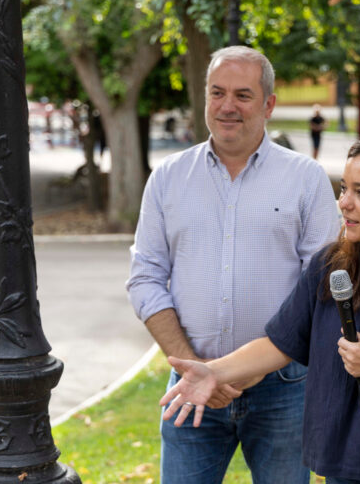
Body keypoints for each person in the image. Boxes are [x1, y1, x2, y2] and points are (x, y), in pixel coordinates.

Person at [160, 137, 360, 484]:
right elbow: (280, 343)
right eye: (344, 189)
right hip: (349, 463)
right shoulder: (331, 267)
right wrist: (214, 373)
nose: (344, 203)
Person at [126, 46, 340, 484]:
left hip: (284, 389)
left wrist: (238, 372)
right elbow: (145, 277)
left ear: (269, 104)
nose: (227, 106)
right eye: (217, 93)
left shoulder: (306, 179)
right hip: (189, 386)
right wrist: (197, 370)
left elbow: (321, 288)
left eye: (243, 95)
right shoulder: (167, 177)